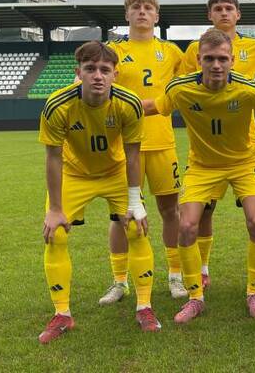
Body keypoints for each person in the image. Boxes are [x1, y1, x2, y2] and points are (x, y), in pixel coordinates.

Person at [143, 29, 255, 321]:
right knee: (186, 226)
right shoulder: (180, 89)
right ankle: (195, 298)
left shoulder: (248, 89)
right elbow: (153, 106)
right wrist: (107, 103)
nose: (216, 65)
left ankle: (254, 292)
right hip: (203, 166)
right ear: (198, 60)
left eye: (222, 59)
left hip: (244, 163)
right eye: (209, 59)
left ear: (232, 60)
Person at [38, 41, 160, 344]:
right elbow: (53, 157)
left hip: (115, 171)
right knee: (56, 234)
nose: (97, 75)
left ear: (115, 75)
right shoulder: (57, 104)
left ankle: (144, 307)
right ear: (78, 72)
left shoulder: (129, 103)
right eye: (90, 69)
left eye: (105, 70)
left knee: (136, 228)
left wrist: (135, 200)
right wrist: (55, 209)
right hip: (74, 173)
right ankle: (62, 314)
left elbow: (133, 155)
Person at [180, 0, 255, 291]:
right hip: (207, 146)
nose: (224, 13)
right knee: (205, 210)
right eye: (218, 8)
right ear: (209, 14)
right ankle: (202, 269)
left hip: (245, 144)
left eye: (229, 8)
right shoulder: (195, 49)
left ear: (238, 14)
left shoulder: (254, 47)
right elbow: (184, 84)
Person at [101, 0, 187, 304]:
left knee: (170, 211)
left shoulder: (171, 51)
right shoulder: (112, 51)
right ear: (126, 14)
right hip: (123, 146)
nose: (141, 12)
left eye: (148, 7)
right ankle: (119, 281)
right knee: (121, 215)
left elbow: (183, 90)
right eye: (135, 7)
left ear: (156, 16)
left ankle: (175, 275)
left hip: (162, 142)